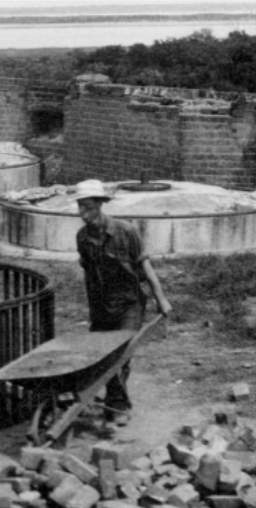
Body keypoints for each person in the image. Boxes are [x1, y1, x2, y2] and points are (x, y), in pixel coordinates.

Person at [73, 179, 172, 426]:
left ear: (100, 204)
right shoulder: (82, 238)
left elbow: (145, 266)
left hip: (129, 302)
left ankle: (116, 406)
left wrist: (161, 299)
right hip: (101, 304)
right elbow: (88, 272)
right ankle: (116, 403)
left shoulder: (126, 231)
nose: (82, 213)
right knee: (101, 356)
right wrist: (94, 306)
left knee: (120, 356)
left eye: (87, 207)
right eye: (79, 207)